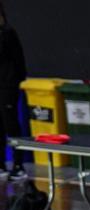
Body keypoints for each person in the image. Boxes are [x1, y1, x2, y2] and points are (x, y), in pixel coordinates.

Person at [0, 2, 27, 181]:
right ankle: (1, 164)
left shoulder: (8, 33)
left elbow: (19, 61)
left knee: (11, 124)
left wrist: (14, 83)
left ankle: (18, 166)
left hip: (7, 87)